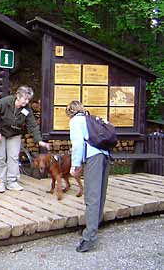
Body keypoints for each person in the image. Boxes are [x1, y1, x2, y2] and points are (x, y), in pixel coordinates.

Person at [66, 100, 110, 253]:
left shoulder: (75, 122)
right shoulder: (92, 119)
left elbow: (78, 144)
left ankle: (89, 238)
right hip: (105, 156)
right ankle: (94, 226)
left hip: (93, 158)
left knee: (91, 196)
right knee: (100, 194)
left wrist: (75, 165)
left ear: (70, 112)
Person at [0, 86, 50, 193]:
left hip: (15, 134)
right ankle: (1, 182)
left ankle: (12, 182)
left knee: (13, 157)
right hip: (1, 133)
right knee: (1, 157)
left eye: (29, 99)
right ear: (18, 96)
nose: (27, 101)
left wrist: (39, 140)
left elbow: (32, 125)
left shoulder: (26, 109)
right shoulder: (4, 103)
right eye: (25, 99)